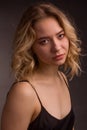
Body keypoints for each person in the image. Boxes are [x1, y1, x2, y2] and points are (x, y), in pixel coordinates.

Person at [1, 2, 81, 130]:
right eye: (44, 41)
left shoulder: (62, 79)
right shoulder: (24, 92)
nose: (56, 47)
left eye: (60, 36)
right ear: (30, 46)